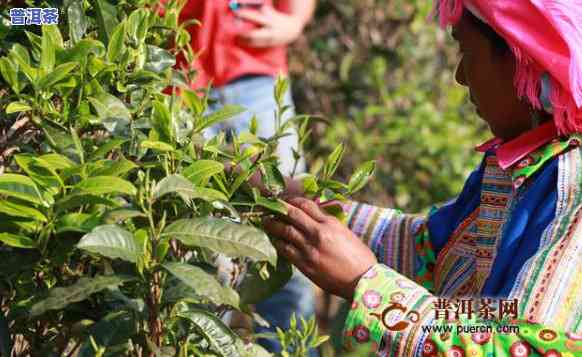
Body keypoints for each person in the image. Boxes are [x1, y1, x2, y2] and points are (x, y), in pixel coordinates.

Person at [260, 0, 582, 355]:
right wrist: (294, 198)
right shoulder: (525, 166)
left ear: (523, 58)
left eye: (466, 50)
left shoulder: (572, 187)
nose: (461, 75)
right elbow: (430, 249)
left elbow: (527, 344)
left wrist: (368, 285)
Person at [174, 1, 318, 355]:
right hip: (173, 87)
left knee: (291, 236)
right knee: (198, 259)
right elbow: (38, 12)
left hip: (254, 75)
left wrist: (296, 19)